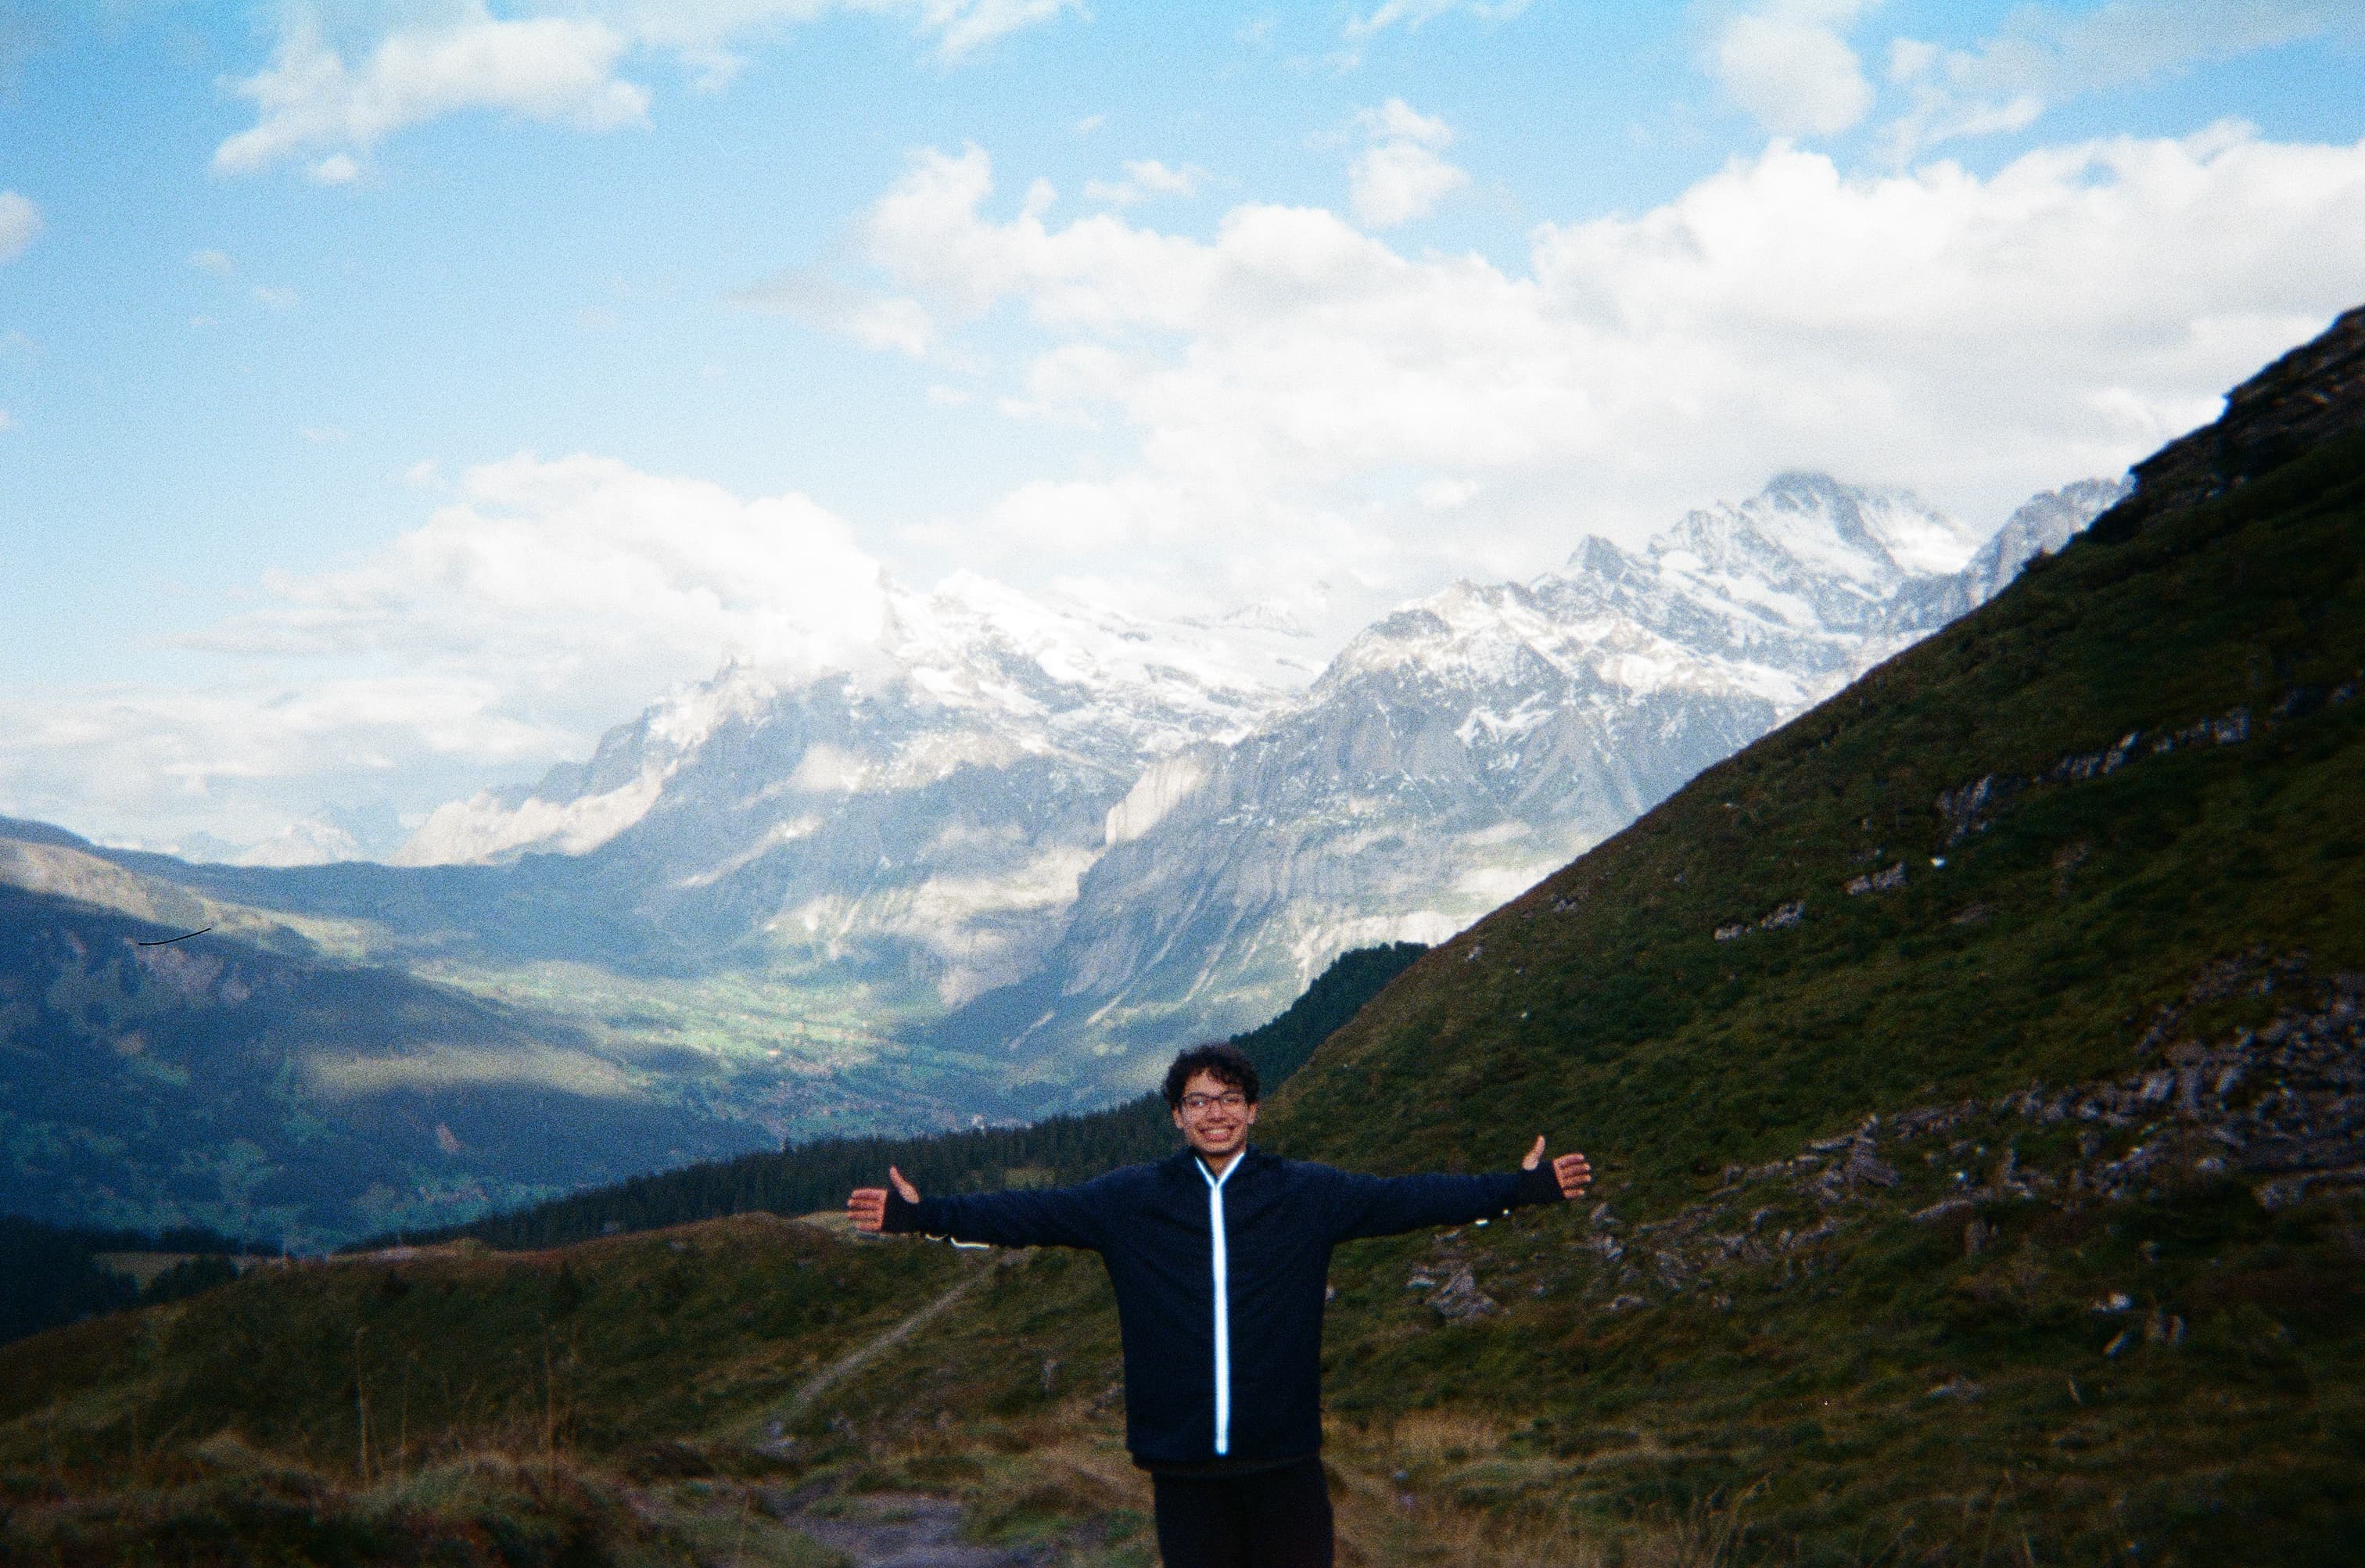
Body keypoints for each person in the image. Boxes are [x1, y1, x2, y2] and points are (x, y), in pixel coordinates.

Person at [849, 1041, 1592, 1568]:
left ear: (1254, 1110)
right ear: (1176, 1116)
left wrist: (1518, 1188)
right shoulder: (1128, 1201)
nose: (1214, 1113)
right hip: (1182, 1467)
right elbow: (1028, 1215)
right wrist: (923, 1213)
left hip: (1286, 1459)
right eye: (1197, 1101)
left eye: (1228, 1098)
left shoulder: (1308, 1193)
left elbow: (1412, 1197)